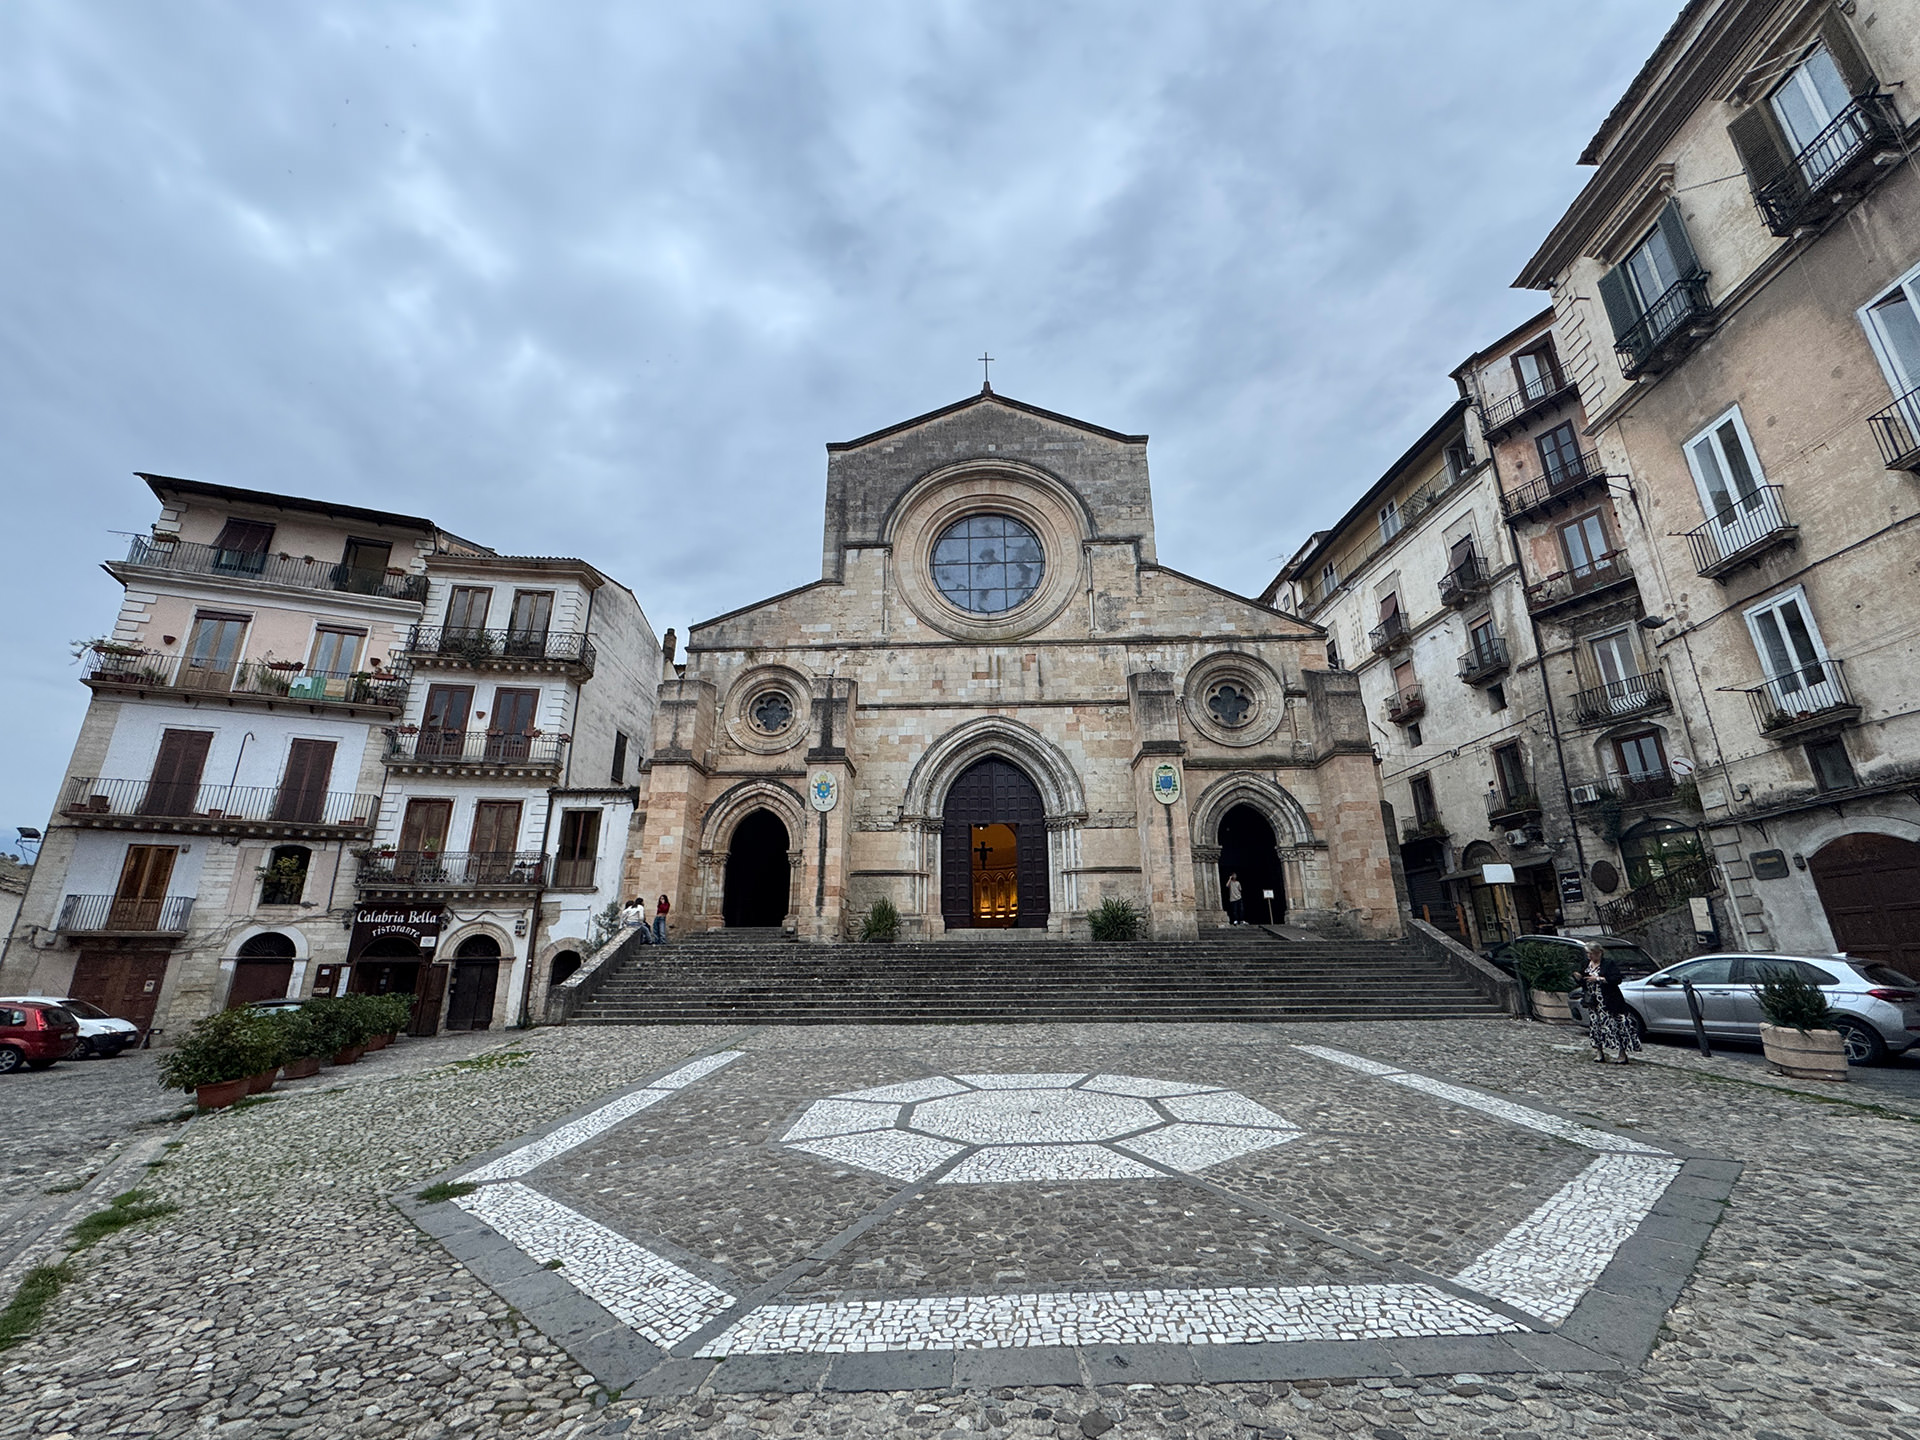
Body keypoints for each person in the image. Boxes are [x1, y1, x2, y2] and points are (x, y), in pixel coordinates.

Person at [1583, 942, 1640, 1064]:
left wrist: (1599, 979)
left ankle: (1622, 1054)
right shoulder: (1586, 964)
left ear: (1598, 953)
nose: (1588, 956)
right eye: (1587, 953)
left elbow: (1617, 979)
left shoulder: (1608, 964)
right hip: (1594, 1004)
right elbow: (1583, 978)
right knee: (1596, 1027)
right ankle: (1599, 1052)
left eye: (1590, 953)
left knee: (1615, 1027)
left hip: (1609, 1002)